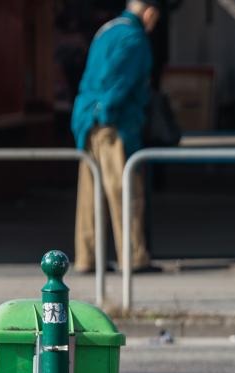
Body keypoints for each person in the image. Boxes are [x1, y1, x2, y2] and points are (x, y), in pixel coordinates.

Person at [71, 0, 160, 274]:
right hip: (114, 124)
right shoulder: (134, 38)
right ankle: (133, 257)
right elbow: (119, 83)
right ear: (149, 12)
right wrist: (107, 112)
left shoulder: (106, 30)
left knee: (90, 195)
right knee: (124, 191)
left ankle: (87, 257)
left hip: (87, 120)